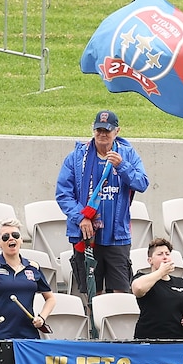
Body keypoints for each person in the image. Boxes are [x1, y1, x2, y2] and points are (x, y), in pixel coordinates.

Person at [56, 109, 149, 294]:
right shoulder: (76, 156)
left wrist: (122, 166)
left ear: (117, 131)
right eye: (98, 130)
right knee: (92, 293)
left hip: (117, 236)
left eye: (107, 130)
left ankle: (115, 324)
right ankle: (94, 323)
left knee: (121, 292)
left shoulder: (128, 155)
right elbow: (63, 193)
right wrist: (80, 218)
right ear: (93, 129)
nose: (102, 134)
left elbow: (142, 183)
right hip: (86, 234)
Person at [0, 218, 56, 339]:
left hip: (29, 337)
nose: (11, 238)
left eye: (15, 235)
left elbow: (50, 298)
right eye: (5, 237)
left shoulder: (33, 267)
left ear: (21, 240)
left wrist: (42, 318)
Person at [131, 238, 183, 339]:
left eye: (167, 254)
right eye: (160, 254)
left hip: (179, 339)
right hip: (149, 339)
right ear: (150, 260)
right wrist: (161, 272)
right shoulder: (142, 278)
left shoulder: (181, 283)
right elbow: (138, 288)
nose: (165, 257)